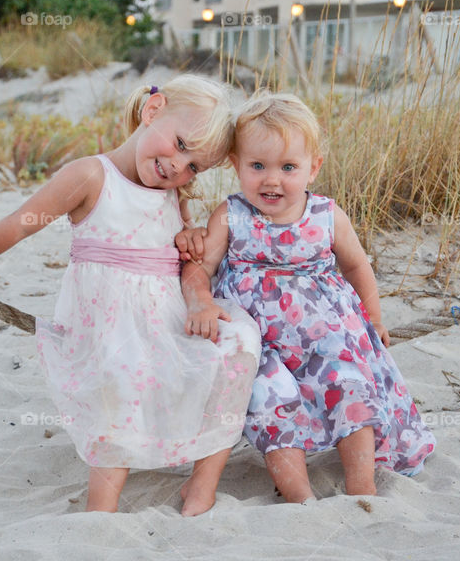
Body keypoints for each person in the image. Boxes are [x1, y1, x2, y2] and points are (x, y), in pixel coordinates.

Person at [0, 76, 261, 516]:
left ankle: (201, 486)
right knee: (122, 384)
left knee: (238, 344)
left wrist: (190, 245)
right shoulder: (91, 175)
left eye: (194, 166)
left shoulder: (172, 193)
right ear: (152, 111)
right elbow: (22, 221)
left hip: (164, 315)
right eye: (180, 144)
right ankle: (100, 507)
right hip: (109, 321)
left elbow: (181, 260)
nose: (178, 167)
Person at [179, 91, 435, 503]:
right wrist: (202, 302)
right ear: (236, 165)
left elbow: (356, 267)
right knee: (266, 397)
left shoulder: (326, 215)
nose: (272, 179)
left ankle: (361, 486)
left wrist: (375, 318)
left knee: (348, 382)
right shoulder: (230, 216)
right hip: (261, 344)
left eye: (288, 167)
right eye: (257, 165)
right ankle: (300, 497)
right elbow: (200, 267)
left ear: (313, 168)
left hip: (326, 334)